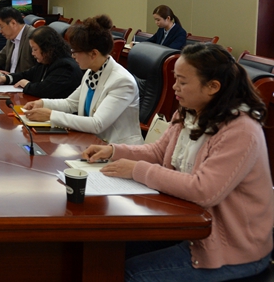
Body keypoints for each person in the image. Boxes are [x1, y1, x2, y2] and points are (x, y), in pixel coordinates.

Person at [84, 43, 273, 281]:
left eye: (182, 82)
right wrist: (113, 151)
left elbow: (204, 190)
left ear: (213, 87)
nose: (174, 87)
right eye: (175, 79)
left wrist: (137, 170)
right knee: (102, 253)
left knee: (129, 273)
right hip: (185, 228)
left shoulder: (240, 130)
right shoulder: (189, 112)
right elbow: (158, 151)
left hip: (230, 249)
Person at [23, 15, 143, 145]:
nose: (73, 55)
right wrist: (42, 103)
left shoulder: (122, 82)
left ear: (93, 54)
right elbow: (70, 103)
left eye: (76, 51)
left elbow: (97, 124)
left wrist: (50, 115)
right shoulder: (91, 72)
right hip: (91, 142)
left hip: (117, 148)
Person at [0, 25, 82, 98]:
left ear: (47, 49)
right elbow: (27, 74)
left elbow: (44, 90)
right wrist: (4, 79)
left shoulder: (65, 67)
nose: (32, 53)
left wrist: (26, 85)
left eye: (35, 49)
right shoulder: (47, 60)